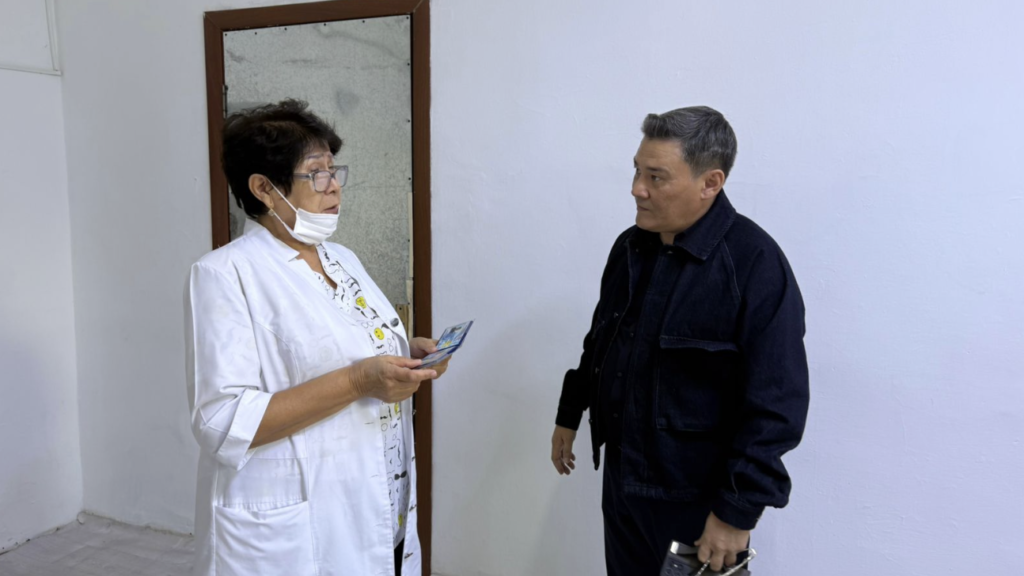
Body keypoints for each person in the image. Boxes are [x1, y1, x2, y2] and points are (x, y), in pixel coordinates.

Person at [185, 99, 447, 575]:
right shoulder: (224, 274)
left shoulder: (341, 258)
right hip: (293, 528)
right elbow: (221, 422)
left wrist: (403, 352)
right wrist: (358, 381)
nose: (334, 187)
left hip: (375, 499)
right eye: (316, 173)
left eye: (334, 170)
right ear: (264, 188)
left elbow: (332, 346)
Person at [550, 106, 809, 574]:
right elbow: (601, 341)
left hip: (698, 504)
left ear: (710, 183)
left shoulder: (754, 264)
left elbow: (777, 403)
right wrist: (570, 413)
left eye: (656, 177)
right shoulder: (630, 247)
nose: (637, 188)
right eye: (636, 171)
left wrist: (736, 511)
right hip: (623, 487)